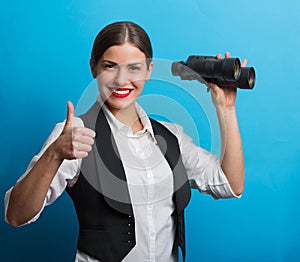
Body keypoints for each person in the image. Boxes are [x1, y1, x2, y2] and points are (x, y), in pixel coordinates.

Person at [4, 21, 245, 262]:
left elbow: (231, 184)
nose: (121, 80)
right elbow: (16, 215)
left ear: (148, 71)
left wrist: (226, 108)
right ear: (93, 67)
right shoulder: (74, 133)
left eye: (134, 68)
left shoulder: (171, 136)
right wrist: (54, 154)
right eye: (110, 66)